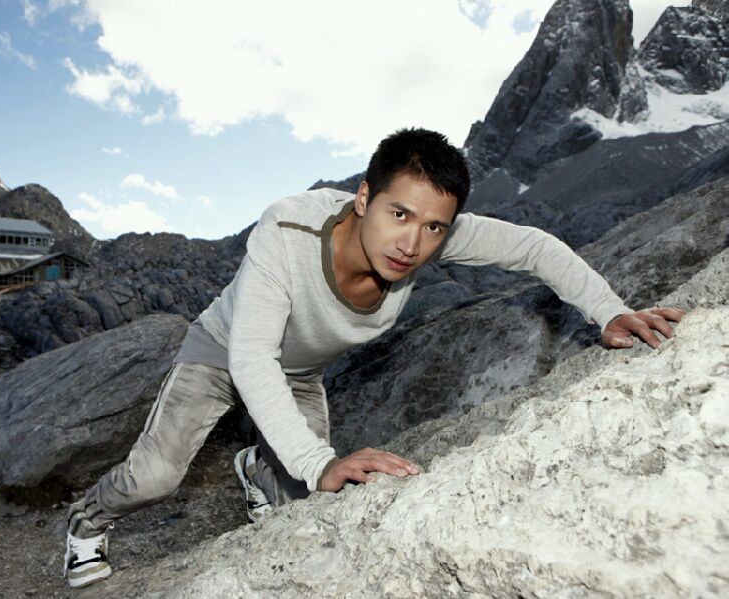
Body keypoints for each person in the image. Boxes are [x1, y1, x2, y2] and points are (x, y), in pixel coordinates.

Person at [63, 127, 685, 588]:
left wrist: (610, 311)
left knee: (310, 499)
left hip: (297, 372)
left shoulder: (429, 234)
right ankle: (86, 520)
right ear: (364, 197)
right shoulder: (287, 230)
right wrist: (316, 460)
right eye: (399, 214)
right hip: (224, 351)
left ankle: (258, 467)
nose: (411, 242)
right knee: (156, 477)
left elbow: (535, 248)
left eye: (434, 227)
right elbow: (251, 356)